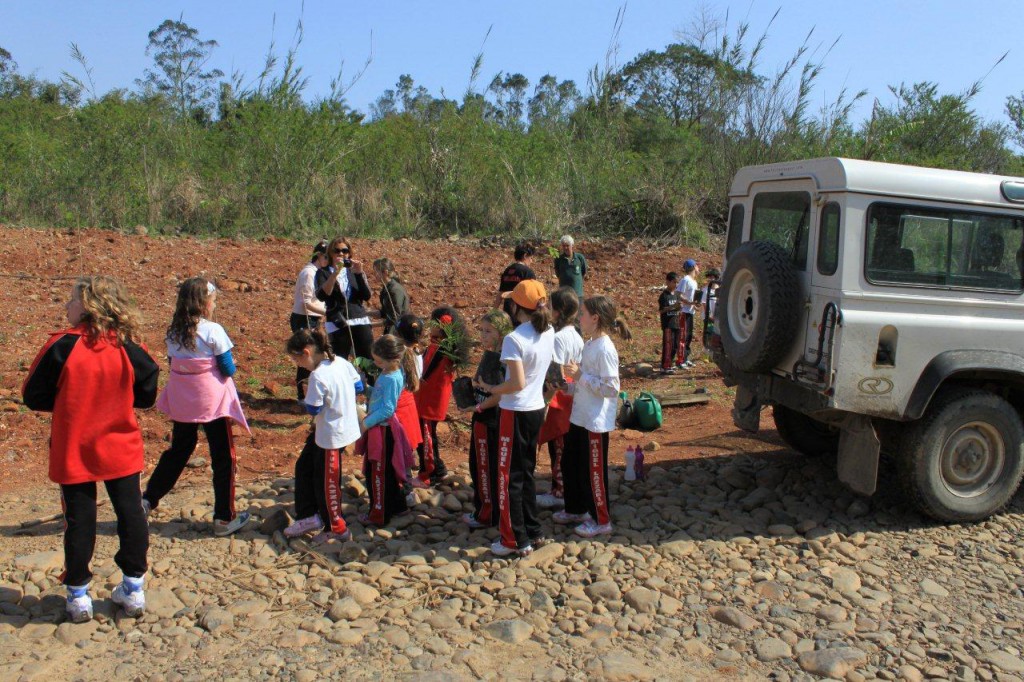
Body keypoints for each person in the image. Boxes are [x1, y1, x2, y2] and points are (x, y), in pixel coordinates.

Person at [22, 276, 160, 623]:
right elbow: (147, 394)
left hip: (75, 447)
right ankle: (133, 588)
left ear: (87, 306)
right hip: (120, 445)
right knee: (131, 513)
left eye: (71, 300)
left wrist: (71, 403)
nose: (66, 306)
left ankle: (78, 595)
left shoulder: (62, 345)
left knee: (79, 520)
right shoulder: (129, 347)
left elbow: (32, 395)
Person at [143, 278, 252, 537]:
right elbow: (227, 368)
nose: (215, 304)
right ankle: (224, 517)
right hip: (211, 401)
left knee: (179, 450)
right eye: (213, 300)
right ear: (204, 304)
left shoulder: (173, 332)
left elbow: (173, 362)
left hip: (184, 400)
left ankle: (146, 500)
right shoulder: (213, 330)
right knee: (223, 455)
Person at [477, 279, 555, 557]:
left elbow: (516, 383)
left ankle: (513, 539)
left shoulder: (514, 339)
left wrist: (490, 389)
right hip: (535, 409)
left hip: (515, 410)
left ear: (515, 306)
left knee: (509, 476)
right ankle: (532, 530)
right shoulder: (548, 331)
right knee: (526, 473)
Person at [557, 295, 631, 537]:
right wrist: (566, 386)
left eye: (584, 314)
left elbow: (611, 388)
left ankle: (601, 519)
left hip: (595, 422)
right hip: (580, 416)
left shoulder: (605, 348)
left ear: (595, 318)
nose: (580, 318)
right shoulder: (589, 344)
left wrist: (579, 377)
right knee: (572, 464)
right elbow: (585, 381)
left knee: (594, 471)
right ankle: (576, 508)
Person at [282, 326, 363, 542]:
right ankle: (309, 515)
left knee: (327, 481)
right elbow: (359, 386)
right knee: (305, 465)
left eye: (297, 361)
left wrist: (312, 393)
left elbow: (313, 408)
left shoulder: (318, 376)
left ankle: (335, 527)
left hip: (332, 435)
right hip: (329, 429)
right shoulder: (342, 362)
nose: (298, 365)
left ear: (306, 352)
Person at [356, 335, 420, 525]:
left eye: (378, 360)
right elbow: (379, 396)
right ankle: (398, 507)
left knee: (377, 472)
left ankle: (379, 513)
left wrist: (365, 424)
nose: (375, 363)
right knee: (389, 473)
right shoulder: (389, 372)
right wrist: (365, 388)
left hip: (382, 431)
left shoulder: (392, 377)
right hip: (381, 427)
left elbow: (387, 408)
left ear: (393, 359)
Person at [460, 308, 512, 528]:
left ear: (501, 332)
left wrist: (477, 407)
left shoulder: (502, 358)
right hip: (486, 415)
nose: (483, 335)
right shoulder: (492, 353)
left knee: (483, 466)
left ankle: (487, 513)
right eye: (481, 330)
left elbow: (499, 394)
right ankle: (490, 509)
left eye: (488, 331)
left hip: (488, 417)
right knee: (484, 465)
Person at [536, 287, 584, 510]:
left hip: (560, 399)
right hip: (573, 396)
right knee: (564, 447)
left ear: (559, 311)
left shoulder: (558, 338)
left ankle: (559, 491)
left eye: (552, 307)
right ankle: (562, 488)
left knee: (558, 447)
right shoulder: (576, 334)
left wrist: (545, 399)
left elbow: (555, 373)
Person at [414, 307, 469, 485]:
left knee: (427, 437)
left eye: (434, 323)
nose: (430, 326)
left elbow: (425, 374)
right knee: (428, 435)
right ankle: (437, 468)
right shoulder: (438, 345)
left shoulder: (441, 348)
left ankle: (429, 474)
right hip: (429, 399)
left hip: (430, 400)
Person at [315, 237, 374, 361]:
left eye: (345, 250)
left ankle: (367, 380)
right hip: (338, 322)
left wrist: (359, 274)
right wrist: (335, 274)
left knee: (367, 359)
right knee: (339, 360)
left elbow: (366, 295)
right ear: (330, 253)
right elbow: (322, 296)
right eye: (337, 251)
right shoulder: (323, 273)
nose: (341, 254)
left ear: (349, 253)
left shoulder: (353, 271)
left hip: (359, 320)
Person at [291, 239, 329, 400]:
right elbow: (307, 303)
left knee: (312, 354)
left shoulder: (317, 272)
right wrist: (329, 311)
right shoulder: (309, 273)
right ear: (319, 256)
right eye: (326, 257)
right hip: (304, 318)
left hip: (312, 318)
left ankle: (308, 393)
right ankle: (302, 395)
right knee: (307, 355)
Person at [674, 259, 702, 369]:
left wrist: (694, 305)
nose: (699, 268)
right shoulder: (685, 280)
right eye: (697, 266)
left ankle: (686, 358)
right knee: (683, 336)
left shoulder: (694, 282)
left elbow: (690, 297)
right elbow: (678, 294)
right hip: (684, 312)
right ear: (694, 267)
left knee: (689, 336)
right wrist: (690, 303)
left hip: (690, 311)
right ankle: (680, 360)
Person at [496, 243, 536, 318]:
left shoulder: (507, 270)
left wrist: (493, 311)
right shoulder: (527, 272)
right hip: (523, 314)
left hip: (508, 312)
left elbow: (501, 293)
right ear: (525, 256)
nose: (531, 261)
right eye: (531, 258)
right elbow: (532, 295)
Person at [372, 257, 409, 336]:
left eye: (376, 271)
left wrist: (371, 325)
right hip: (392, 330)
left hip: (399, 332)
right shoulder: (387, 288)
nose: (374, 274)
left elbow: (394, 318)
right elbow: (384, 313)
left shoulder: (394, 290)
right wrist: (365, 313)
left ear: (385, 272)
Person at [658, 272, 682, 374]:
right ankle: (664, 366)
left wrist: (679, 307)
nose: (676, 285)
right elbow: (661, 310)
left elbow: (679, 308)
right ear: (668, 282)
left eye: (677, 283)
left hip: (676, 323)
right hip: (668, 324)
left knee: (676, 346)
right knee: (668, 346)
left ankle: (670, 364)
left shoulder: (676, 294)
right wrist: (672, 307)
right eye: (674, 282)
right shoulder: (664, 296)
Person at [553, 235, 588, 299]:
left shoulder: (579, 257)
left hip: (577, 294)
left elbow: (583, 272)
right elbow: (558, 273)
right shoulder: (558, 259)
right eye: (563, 246)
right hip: (564, 294)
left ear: (572, 245)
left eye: (567, 245)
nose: (565, 248)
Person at [701, 267, 721, 348]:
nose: (710, 279)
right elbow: (704, 304)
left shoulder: (719, 289)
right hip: (708, 317)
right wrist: (709, 317)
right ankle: (707, 350)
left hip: (716, 317)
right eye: (709, 277)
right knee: (709, 334)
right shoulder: (705, 290)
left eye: (712, 277)